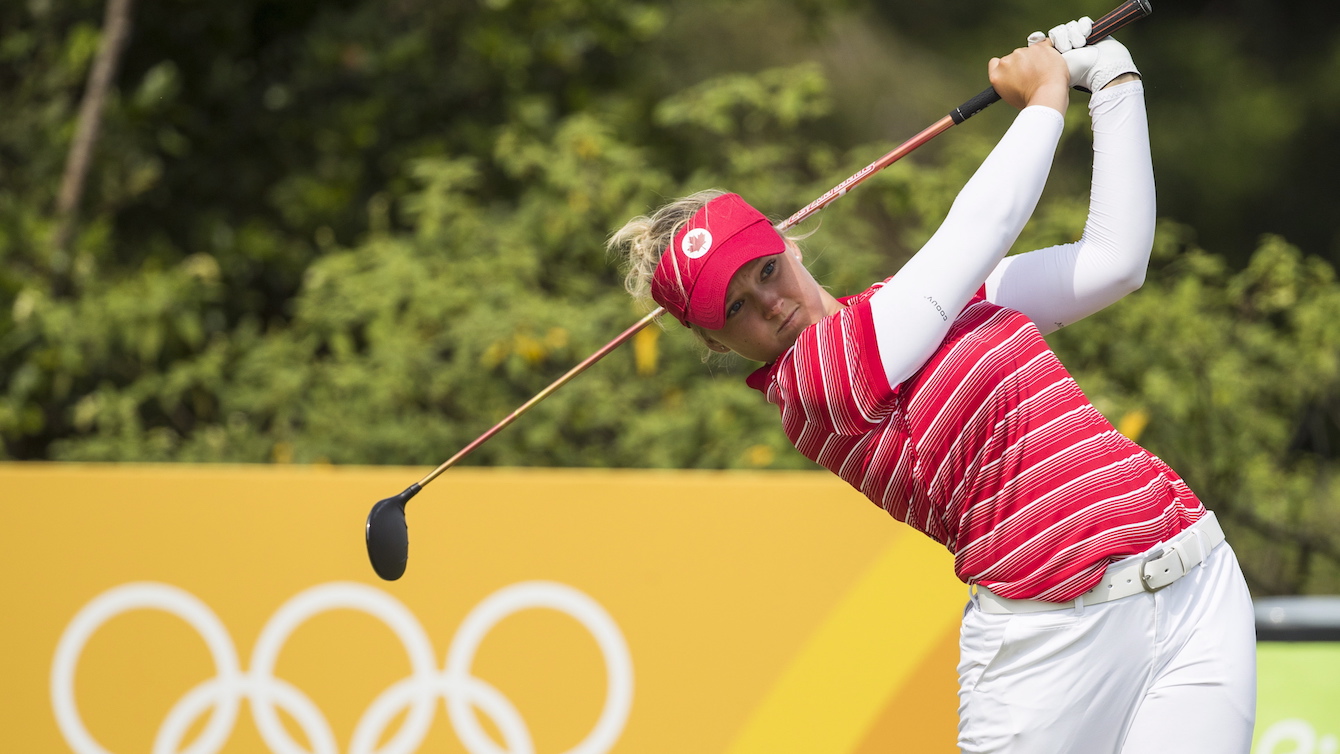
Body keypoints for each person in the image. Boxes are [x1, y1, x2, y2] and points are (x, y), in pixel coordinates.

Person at [607, 18, 1256, 754]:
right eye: (735, 310)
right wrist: (1044, 96)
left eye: (766, 271)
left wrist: (1108, 77)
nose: (770, 304)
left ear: (786, 242)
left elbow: (1112, 262)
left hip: (1195, 586)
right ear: (710, 341)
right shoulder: (817, 388)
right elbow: (983, 222)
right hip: (1046, 650)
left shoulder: (912, 306)